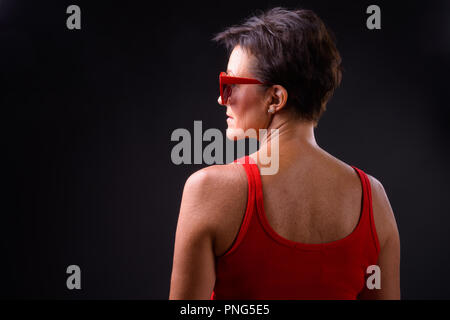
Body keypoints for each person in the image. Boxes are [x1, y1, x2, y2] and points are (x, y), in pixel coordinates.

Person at [169, 7, 400, 299]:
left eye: (230, 85)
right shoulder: (374, 200)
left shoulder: (209, 191)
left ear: (275, 98)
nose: (221, 98)